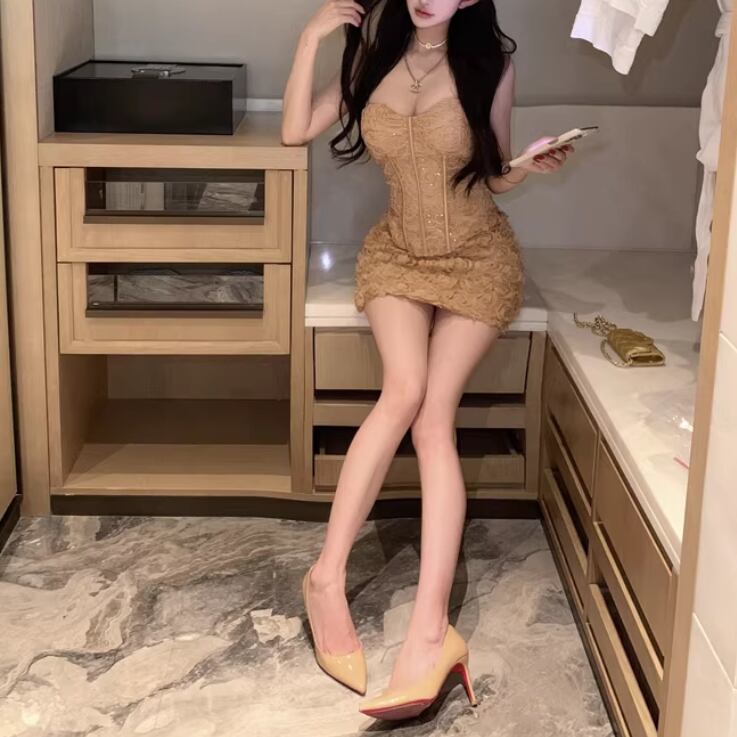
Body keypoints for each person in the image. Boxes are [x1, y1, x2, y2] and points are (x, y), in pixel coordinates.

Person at [282, 0, 572, 720]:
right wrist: (312, 36)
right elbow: (294, 129)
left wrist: (528, 167)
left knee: (433, 418)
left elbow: (493, 174)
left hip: (477, 257)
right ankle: (325, 578)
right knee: (402, 391)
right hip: (397, 253)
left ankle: (431, 630)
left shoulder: (491, 64)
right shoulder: (370, 58)